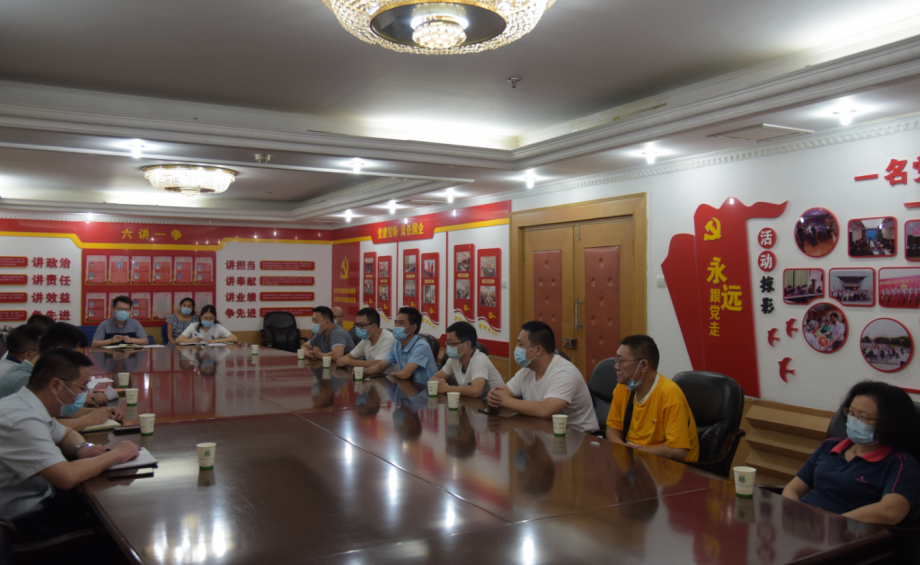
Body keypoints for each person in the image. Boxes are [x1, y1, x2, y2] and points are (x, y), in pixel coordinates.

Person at [0, 349, 140, 541]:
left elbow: (65, 433)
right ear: (55, 386)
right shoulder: (21, 419)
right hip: (20, 525)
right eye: (81, 388)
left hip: (41, 502)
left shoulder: (26, 405)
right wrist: (116, 454)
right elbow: (66, 476)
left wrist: (82, 449)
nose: (82, 395)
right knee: (117, 527)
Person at [783, 381, 920, 526]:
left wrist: (833, 523)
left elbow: (891, 512)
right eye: (851, 413)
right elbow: (793, 489)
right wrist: (794, 512)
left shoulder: (901, 463)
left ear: (890, 423)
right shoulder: (830, 445)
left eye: (863, 417)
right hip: (804, 523)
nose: (853, 421)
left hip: (846, 531)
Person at [0, 323, 121, 430]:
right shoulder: (26, 381)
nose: (77, 364)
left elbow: (61, 411)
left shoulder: (37, 373)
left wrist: (100, 412)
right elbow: (47, 426)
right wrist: (89, 419)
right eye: (75, 357)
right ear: (59, 352)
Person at [487, 321, 597, 433]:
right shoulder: (527, 370)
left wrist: (506, 401)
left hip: (579, 437)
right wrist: (493, 396)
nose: (516, 349)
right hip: (544, 432)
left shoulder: (565, 373)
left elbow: (546, 410)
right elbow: (501, 393)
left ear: (538, 350)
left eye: (520, 345)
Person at [605, 335, 699, 463]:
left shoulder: (669, 394)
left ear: (643, 365)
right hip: (634, 461)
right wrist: (624, 449)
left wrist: (636, 452)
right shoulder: (623, 387)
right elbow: (612, 429)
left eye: (621, 361)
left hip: (670, 467)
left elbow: (677, 451)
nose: (616, 366)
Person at [430, 321, 504, 401]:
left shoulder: (479, 360)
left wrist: (446, 388)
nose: (448, 347)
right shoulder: (453, 360)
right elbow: (433, 378)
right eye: (447, 343)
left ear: (467, 344)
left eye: (451, 343)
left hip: (495, 405)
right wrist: (438, 382)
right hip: (472, 404)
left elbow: (475, 391)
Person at [367, 307, 438, 385]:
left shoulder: (422, 346)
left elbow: (404, 374)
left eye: (401, 323)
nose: (396, 326)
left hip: (426, 390)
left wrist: (393, 374)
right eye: (396, 322)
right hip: (407, 387)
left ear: (413, 328)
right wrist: (362, 372)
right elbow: (380, 366)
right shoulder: (397, 345)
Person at [335, 307, 395, 375]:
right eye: (356, 325)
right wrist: (342, 360)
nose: (358, 328)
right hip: (371, 377)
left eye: (361, 325)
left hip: (387, 379)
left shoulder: (388, 339)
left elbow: (378, 364)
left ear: (374, 326)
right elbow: (350, 356)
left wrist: (349, 362)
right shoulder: (366, 338)